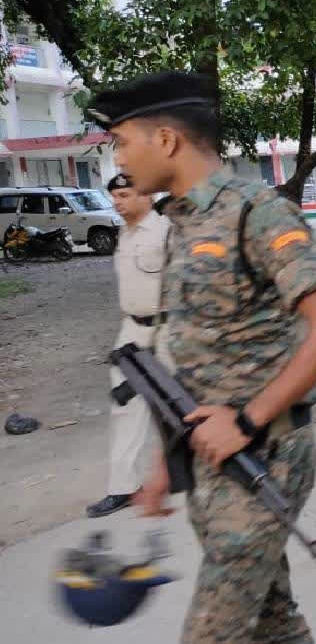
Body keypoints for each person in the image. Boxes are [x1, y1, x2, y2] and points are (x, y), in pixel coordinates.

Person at [89, 71, 316, 643]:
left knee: (212, 634)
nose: (120, 158)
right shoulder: (180, 222)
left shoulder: (254, 210)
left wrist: (246, 419)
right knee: (272, 622)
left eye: (122, 141)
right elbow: (192, 360)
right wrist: (167, 460)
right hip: (211, 457)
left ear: (166, 140)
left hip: (267, 452)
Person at [85, 174, 173, 519]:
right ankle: (122, 487)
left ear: (147, 195)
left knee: (185, 406)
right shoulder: (124, 233)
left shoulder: (167, 232)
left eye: (125, 195)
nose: (118, 202)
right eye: (115, 196)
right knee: (125, 407)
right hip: (131, 333)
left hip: (166, 332)